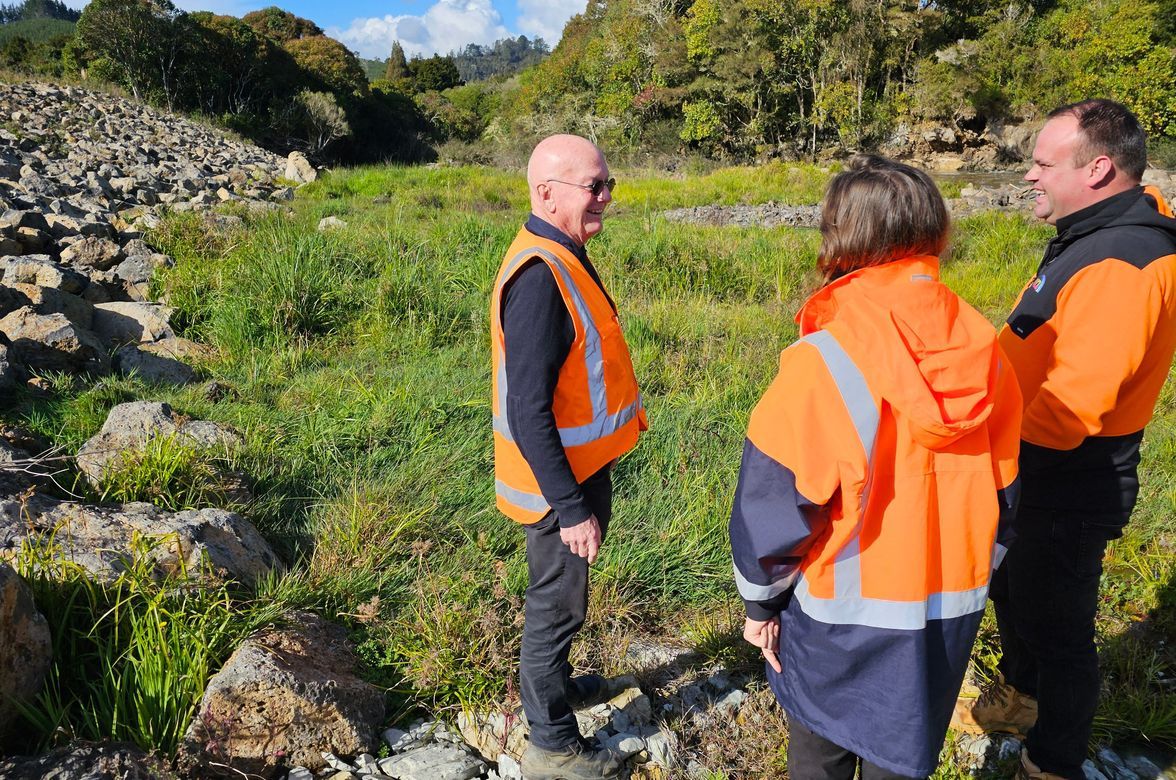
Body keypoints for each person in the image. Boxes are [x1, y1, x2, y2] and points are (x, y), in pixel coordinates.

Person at [729, 155, 1023, 779]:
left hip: (837, 618)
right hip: (946, 611)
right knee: (902, 750)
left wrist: (760, 605)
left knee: (822, 751)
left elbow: (773, 504)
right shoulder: (989, 351)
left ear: (841, 237)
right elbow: (1007, 493)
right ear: (936, 230)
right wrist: (979, 570)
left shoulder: (824, 358)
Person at [951, 100, 1176, 779]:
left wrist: (978, 442)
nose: (1029, 176)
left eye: (1044, 164)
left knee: (1060, 631)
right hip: (1032, 466)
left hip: (1066, 474)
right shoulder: (1098, 234)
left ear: (1098, 168)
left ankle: (1051, 762)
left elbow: (1075, 405)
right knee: (1016, 595)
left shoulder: (1124, 261)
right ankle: (1020, 700)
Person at [489, 134, 647, 780]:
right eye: (594, 186)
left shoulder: (562, 251)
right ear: (547, 194)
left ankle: (555, 690)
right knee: (556, 608)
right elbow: (527, 411)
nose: (606, 197)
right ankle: (551, 746)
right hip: (556, 488)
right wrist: (571, 508)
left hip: (575, 473)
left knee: (566, 601)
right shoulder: (540, 278)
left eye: (609, 184)